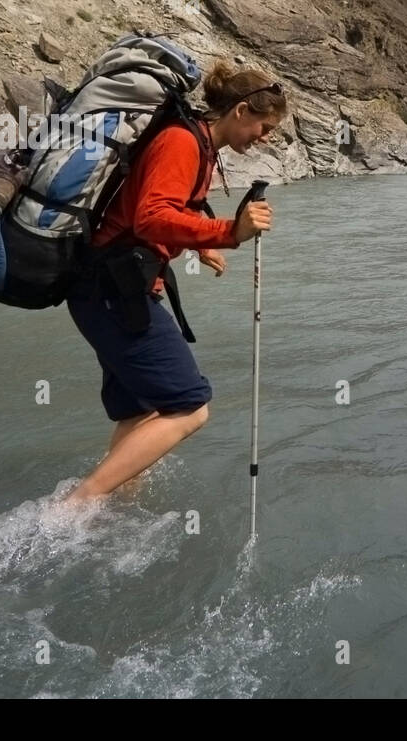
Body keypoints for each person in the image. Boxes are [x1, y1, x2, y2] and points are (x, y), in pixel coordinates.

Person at [62, 61, 285, 504]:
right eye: (264, 127)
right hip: (111, 289)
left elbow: (161, 208)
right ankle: (75, 507)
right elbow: (152, 217)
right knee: (189, 406)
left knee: (139, 408)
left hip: (109, 287)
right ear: (241, 111)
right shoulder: (182, 142)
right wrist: (228, 232)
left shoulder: (200, 143)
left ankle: (117, 505)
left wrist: (200, 246)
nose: (266, 138)